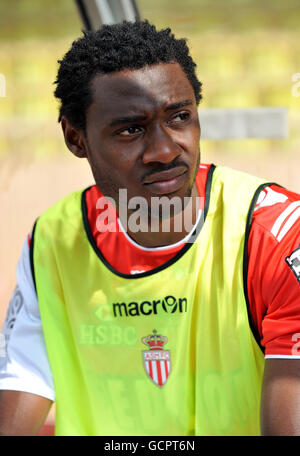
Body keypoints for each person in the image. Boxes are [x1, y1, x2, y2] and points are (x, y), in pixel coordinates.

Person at [0, 20, 300, 437]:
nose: (164, 151)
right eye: (131, 129)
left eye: (180, 117)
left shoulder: (277, 235)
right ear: (76, 139)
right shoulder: (53, 239)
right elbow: (17, 393)